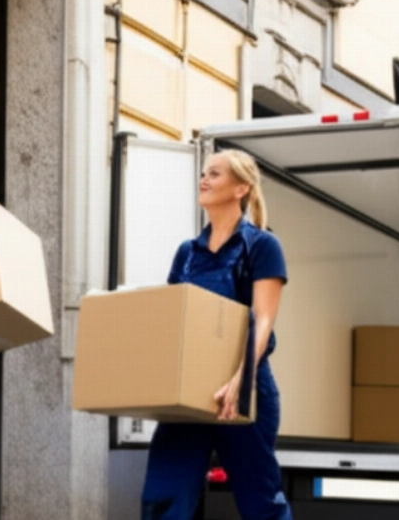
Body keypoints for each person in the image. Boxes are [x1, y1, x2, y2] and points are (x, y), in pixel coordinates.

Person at [141, 149, 293, 520]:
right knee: (164, 496)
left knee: (261, 504)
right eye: (203, 173)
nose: (204, 180)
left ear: (241, 187)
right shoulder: (187, 253)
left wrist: (241, 380)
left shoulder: (261, 246)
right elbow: (175, 321)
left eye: (215, 174)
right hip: (190, 394)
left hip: (246, 391)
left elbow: (263, 320)